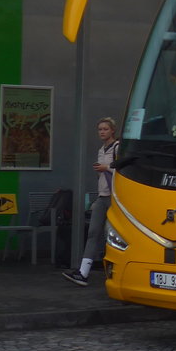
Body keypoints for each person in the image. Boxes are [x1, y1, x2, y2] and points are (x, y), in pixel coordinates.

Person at [63, 118, 120, 286]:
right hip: (102, 196)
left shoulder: (118, 147)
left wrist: (106, 168)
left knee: (115, 235)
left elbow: (124, 170)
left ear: (112, 131)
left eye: (105, 129)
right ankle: (83, 272)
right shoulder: (101, 150)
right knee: (93, 232)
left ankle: (117, 272)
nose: (102, 132)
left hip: (115, 197)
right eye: (100, 129)